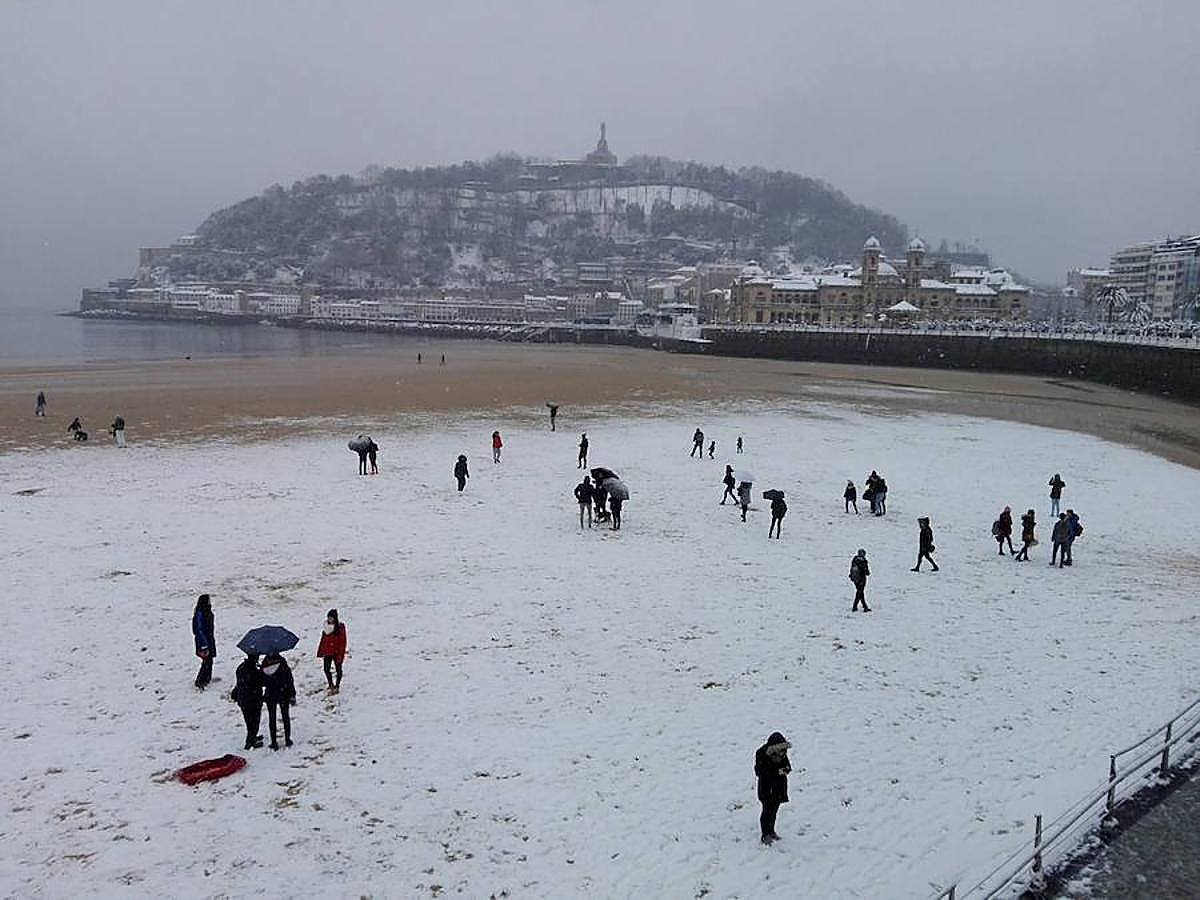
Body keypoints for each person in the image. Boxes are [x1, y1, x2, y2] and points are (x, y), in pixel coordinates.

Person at [754, 732, 792, 845]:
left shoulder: (782, 753)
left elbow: (788, 765)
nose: (783, 753)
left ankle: (772, 831)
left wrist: (786, 769)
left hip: (778, 788)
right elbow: (759, 771)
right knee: (767, 811)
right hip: (766, 788)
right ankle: (765, 834)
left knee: (774, 811)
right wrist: (777, 772)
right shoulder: (761, 753)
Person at [260, 653, 296, 750]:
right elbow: (289, 679)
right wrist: (292, 694)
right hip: (283, 693)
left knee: (272, 718)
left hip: (270, 694)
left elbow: (262, 681)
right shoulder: (282, 662)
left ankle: (274, 742)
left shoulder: (265, 663)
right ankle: (287, 739)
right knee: (285, 716)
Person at [230, 653, 264, 750]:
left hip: (243, 699)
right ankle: (250, 742)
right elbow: (260, 682)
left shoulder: (240, 668)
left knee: (249, 721)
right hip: (253, 700)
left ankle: (252, 737)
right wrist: (261, 671)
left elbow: (240, 683)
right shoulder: (253, 671)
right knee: (254, 722)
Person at [317, 609, 347, 694]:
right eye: (328, 617)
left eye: (331, 618)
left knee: (338, 670)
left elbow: (343, 641)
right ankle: (331, 684)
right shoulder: (326, 627)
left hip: (337, 652)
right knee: (326, 669)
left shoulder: (340, 627)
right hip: (327, 651)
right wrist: (320, 651)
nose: (329, 619)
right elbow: (323, 639)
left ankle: (337, 685)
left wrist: (341, 654)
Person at [192, 593, 216, 689]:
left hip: (208, 639)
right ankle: (201, 680)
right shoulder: (200, 613)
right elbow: (199, 630)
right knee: (207, 660)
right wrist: (204, 645)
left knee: (209, 660)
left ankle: (206, 679)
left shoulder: (206, 611)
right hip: (203, 641)